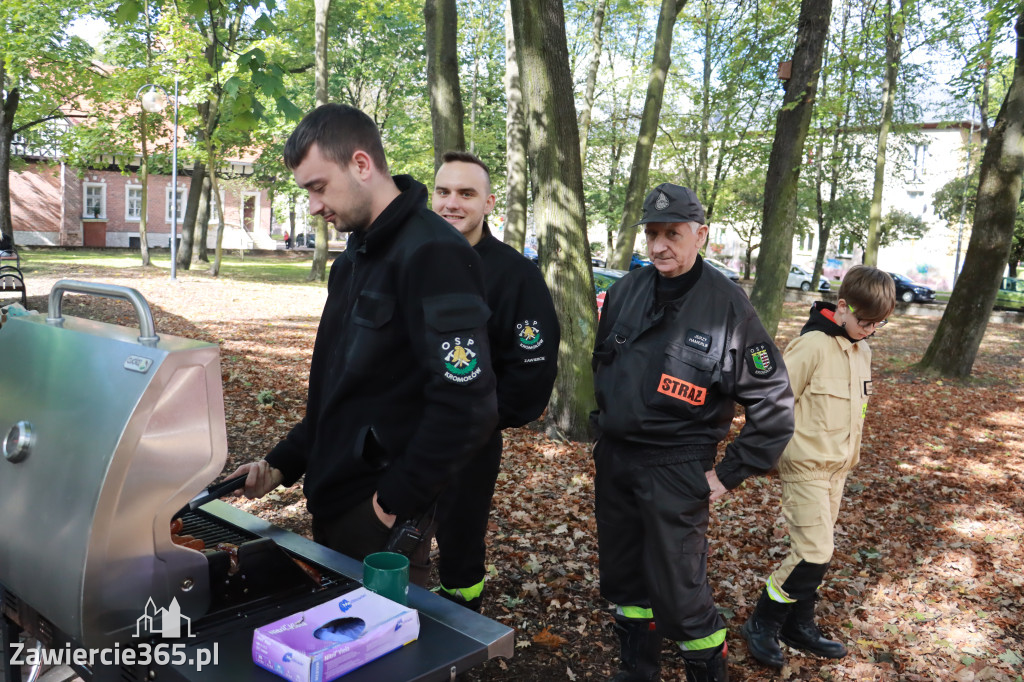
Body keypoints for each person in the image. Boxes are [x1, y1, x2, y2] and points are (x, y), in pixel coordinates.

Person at [232, 105, 498, 583]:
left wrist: (392, 503)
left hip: (379, 519)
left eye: (318, 187)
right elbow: (342, 389)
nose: (313, 205)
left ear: (360, 164)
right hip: (332, 501)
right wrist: (282, 463)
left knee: (381, 653)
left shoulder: (434, 253)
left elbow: (468, 403)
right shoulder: (354, 255)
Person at [591, 183, 795, 682]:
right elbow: (603, 368)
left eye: (673, 234)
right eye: (653, 233)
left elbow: (774, 403)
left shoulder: (729, 308)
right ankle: (638, 670)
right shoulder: (624, 293)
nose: (660, 245)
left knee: (681, 596)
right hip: (617, 461)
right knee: (624, 580)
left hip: (676, 467)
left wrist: (727, 475)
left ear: (700, 235)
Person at [741, 265, 895, 669]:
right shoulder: (810, 345)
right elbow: (772, 402)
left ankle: (799, 624)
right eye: (865, 321)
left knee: (817, 554)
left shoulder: (863, 349)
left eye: (878, 324)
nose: (870, 330)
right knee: (814, 550)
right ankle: (762, 622)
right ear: (842, 307)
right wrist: (765, 457)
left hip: (837, 470)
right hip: (805, 465)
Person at [429, 150, 560, 611]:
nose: (452, 203)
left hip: (471, 440)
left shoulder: (515, 275)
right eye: (443, 192)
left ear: (488, 203)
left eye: (466, 193)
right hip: (398, 434)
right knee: (391, 539)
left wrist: (478, 418)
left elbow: (531, 370)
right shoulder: (406, 260)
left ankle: (460, 621)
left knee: (460, 542)